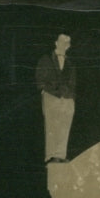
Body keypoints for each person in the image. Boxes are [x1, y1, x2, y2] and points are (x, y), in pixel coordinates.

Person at [36, 34, 76, 163]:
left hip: (67, 98)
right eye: (62, 41)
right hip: (51, 96)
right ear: (56, 43)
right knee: (52, 126)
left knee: (64, 126)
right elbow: (39, 77)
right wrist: (44, 91)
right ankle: (51, 155)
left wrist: (70, 96)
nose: (64, 44)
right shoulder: (46, 59)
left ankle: (61, 155)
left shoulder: (70, 63)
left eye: (67, 42)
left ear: (69, 46)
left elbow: (73, 81)